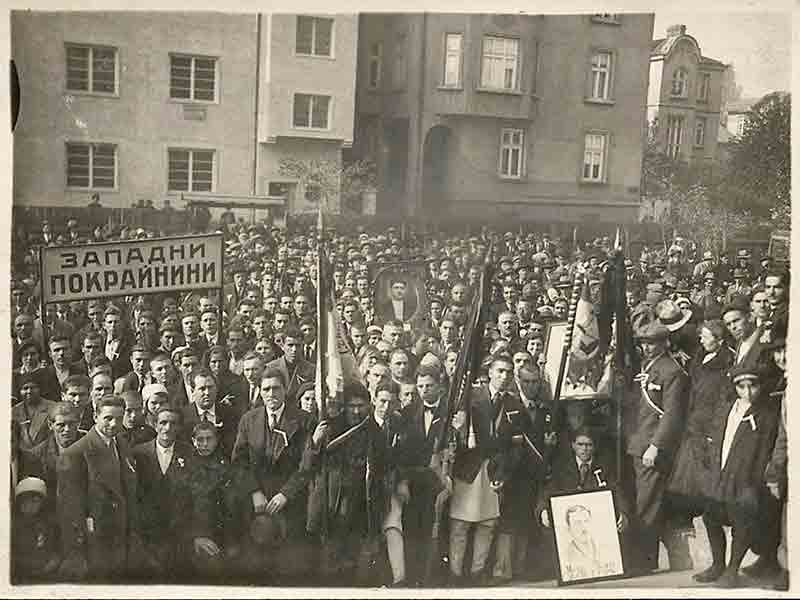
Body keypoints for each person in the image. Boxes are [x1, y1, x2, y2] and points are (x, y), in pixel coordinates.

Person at [693, 364, 781, 588]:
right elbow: (716, 440)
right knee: (710, 516)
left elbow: (764, 454)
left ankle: (732, 570)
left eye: (753, 386)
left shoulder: (766, 416)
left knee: (742, 519)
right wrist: (711, 471)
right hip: (722, 475)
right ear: (735, 387)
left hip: (747, 481)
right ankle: (718, 565)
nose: (748, 392)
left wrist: (753, 482)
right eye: (742, 387)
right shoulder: (727, 409)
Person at [231, 367, 316, 579]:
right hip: (258, 503)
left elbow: (306, 466)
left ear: (285, 389)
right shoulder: (249, 420)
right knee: (256, 567)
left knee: (290, 569)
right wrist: (254, 492)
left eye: (276, 388)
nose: (271, 394)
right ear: (259, 391)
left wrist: (285, 494)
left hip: (292, 502)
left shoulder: (304, 420)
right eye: (266, 389)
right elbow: (239, 463)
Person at [626, 320, 692, 572]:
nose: (647, 347)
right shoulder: (649, 366)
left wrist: (656, 446)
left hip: (651, 446)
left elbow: (672, 415)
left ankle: (642, 560)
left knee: (647, 504)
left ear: (665, 343)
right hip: (638, 443)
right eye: (644, 343)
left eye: (652, 343)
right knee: (642, 502)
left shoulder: (672, 371)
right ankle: (644, 557)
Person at [56, 395, 144, 580]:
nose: (114, 424)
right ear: (95, 416)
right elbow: (71, 508)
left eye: (119, 419)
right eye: (108, 418)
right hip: (96, 537)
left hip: (123, 531)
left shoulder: (122, 444)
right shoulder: (76, 453)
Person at [667, 320, 734, 516]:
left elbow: (722, 398)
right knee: (689, 471)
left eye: (706, 337)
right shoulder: (701, 357)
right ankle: (692, 511)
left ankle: (707, 512)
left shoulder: (725, 363)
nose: (701, 340)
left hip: (707, 423)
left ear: (719, 340)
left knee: (703, 471)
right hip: (694, 419)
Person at [132, 406, 194, 578]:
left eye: (173, 423)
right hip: (148, 529)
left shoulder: (189, 452)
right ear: (154, 425)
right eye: (163, 423)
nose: (167, 428)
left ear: (180, 427)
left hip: (178, 529)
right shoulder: (138, 452)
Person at [12, 477, 61, 580]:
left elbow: (57, 547)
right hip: (23, 575)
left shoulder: (49, 524)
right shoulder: (15, 527)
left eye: (35, 501)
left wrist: (55, 560)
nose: (30, 505)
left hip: (47, 573)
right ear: (20, 504)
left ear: (42, 503)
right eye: (25, 501)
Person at [13, 372, 57, 451]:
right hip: (22, 457)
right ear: (20, 391)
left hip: (46, 454)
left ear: (40, 389)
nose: (29, 391)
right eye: (25, 388)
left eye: (33, 387)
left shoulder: (53, 407)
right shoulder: (14, 411)